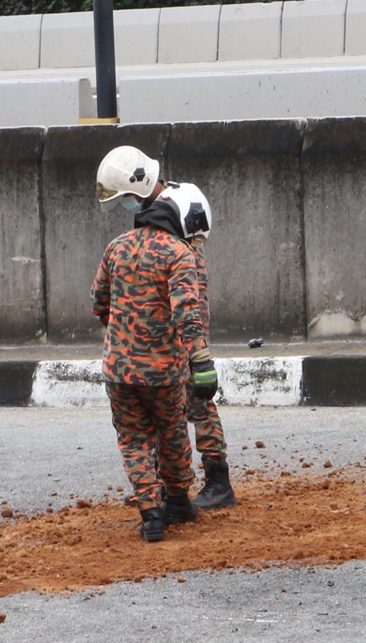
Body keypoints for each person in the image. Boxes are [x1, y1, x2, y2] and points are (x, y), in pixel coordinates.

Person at [96, 145, 238, 510]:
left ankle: (217, 479)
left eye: (126, 196)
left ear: (138, 186)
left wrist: (195, 350)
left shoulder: (179, 200)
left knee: (195, 397)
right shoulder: (156, 205)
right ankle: (160, 485)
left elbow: (191, 269)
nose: (126, 204)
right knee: (167, 407)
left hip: (184, 295)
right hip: (168, 304)